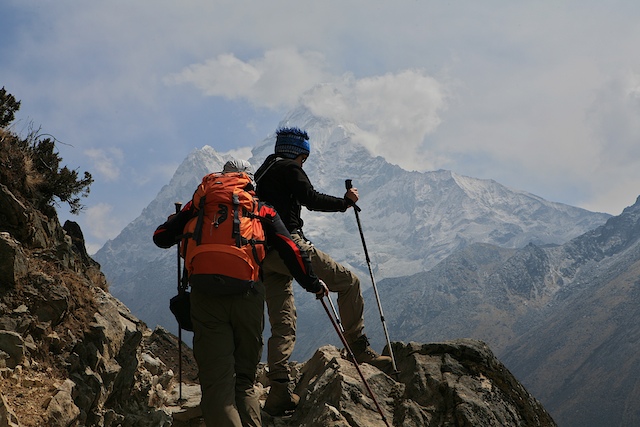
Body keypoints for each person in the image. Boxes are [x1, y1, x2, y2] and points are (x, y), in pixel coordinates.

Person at [153, 159, 328, 427]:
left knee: (217, 387)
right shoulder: (259, 208)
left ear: (220, 177)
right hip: (248, 296)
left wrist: (179, 222)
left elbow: (161, 237)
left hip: (206, 298)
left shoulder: (199, 205)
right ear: (248, 179)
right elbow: (291, 249)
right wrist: (313, 283)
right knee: (244, 382)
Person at [255, 127, 393, 416]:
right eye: (304, 157)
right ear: (299, 153)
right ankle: (358, 347)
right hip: (291, 246)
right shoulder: (291, 169)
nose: (304, 162)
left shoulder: (263, 171)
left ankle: (279, 392)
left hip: (265, 255)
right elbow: (311, 198)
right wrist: (346, 202)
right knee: (349, 282)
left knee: (283, 323)